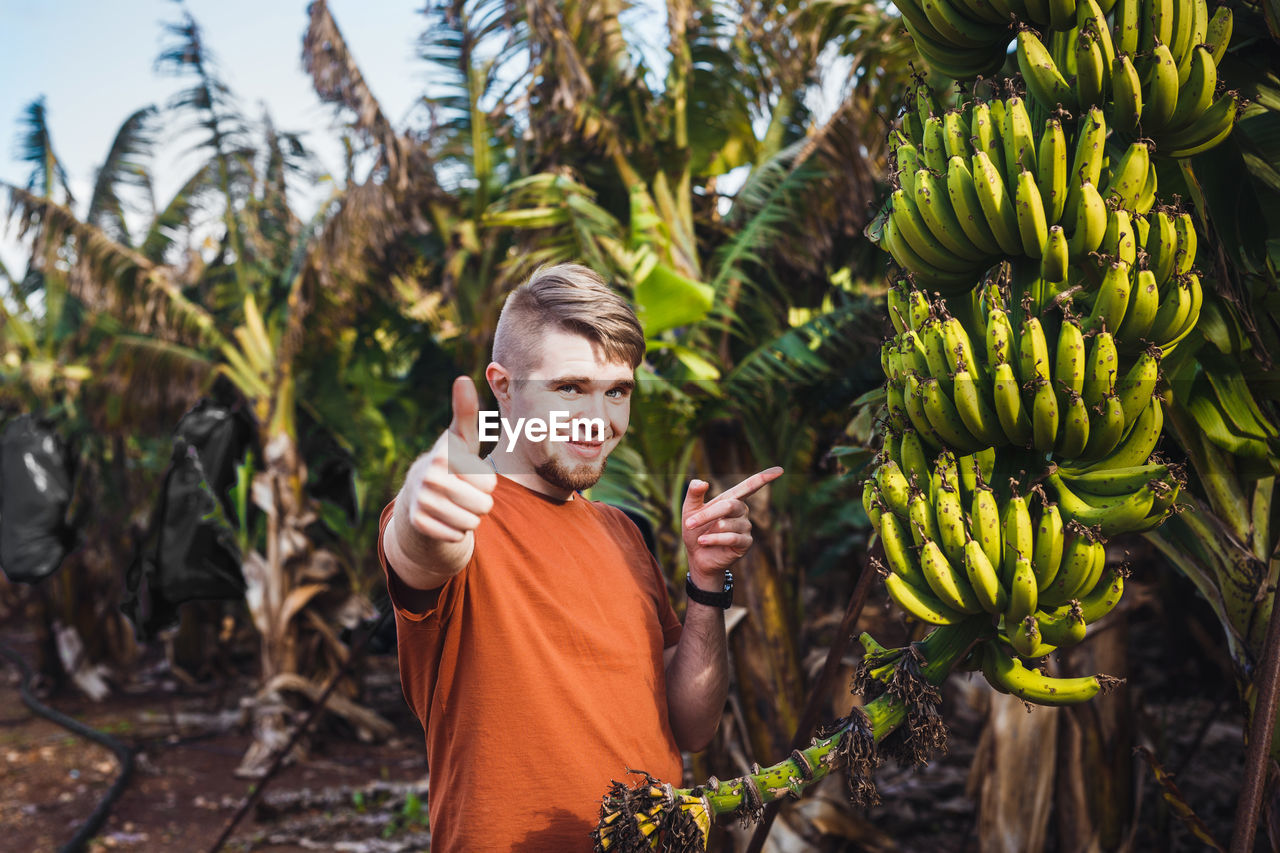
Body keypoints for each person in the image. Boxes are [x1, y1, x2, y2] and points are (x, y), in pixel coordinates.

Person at [377, 263, 782, 851]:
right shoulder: (461, 518)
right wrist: (427, 499)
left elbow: (693, 726)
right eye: (570, 389)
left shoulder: (623, 533)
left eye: (616, 391)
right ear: (503, 386)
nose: (600, 421)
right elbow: (423, 545)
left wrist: (705, 583)